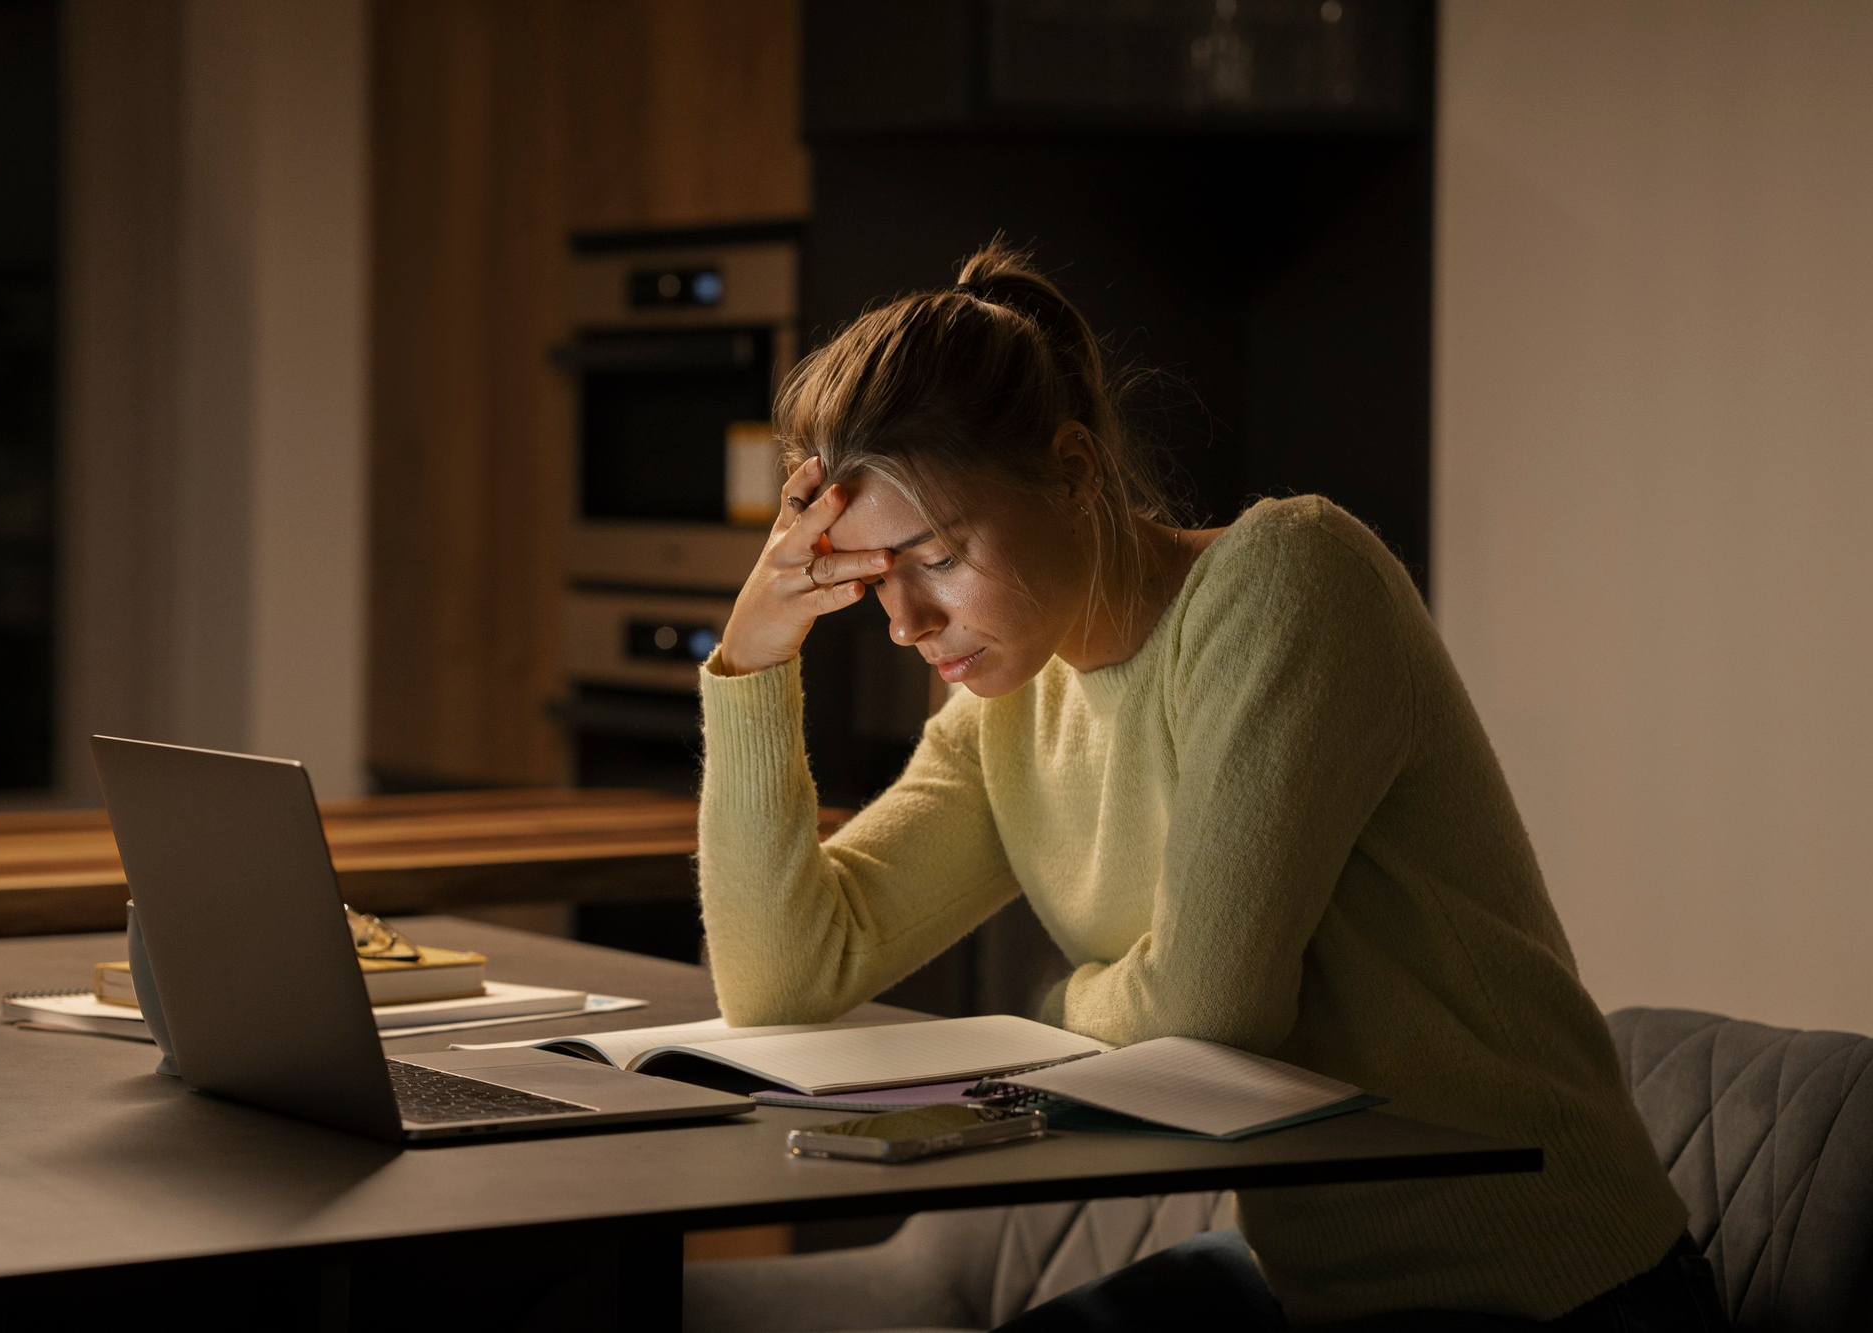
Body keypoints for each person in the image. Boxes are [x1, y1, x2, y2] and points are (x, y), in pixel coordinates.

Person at [694, 241, 1725, 1331]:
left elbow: (1210, 1011)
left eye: (937, 557)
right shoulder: (1007, 702)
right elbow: (782, 981)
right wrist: (754, 658)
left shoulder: (1288, 578)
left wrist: (1044, 1016)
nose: (905, 622)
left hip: (1556, 1291)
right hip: (1312, 1286)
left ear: (1074, 471)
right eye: (871, 579)